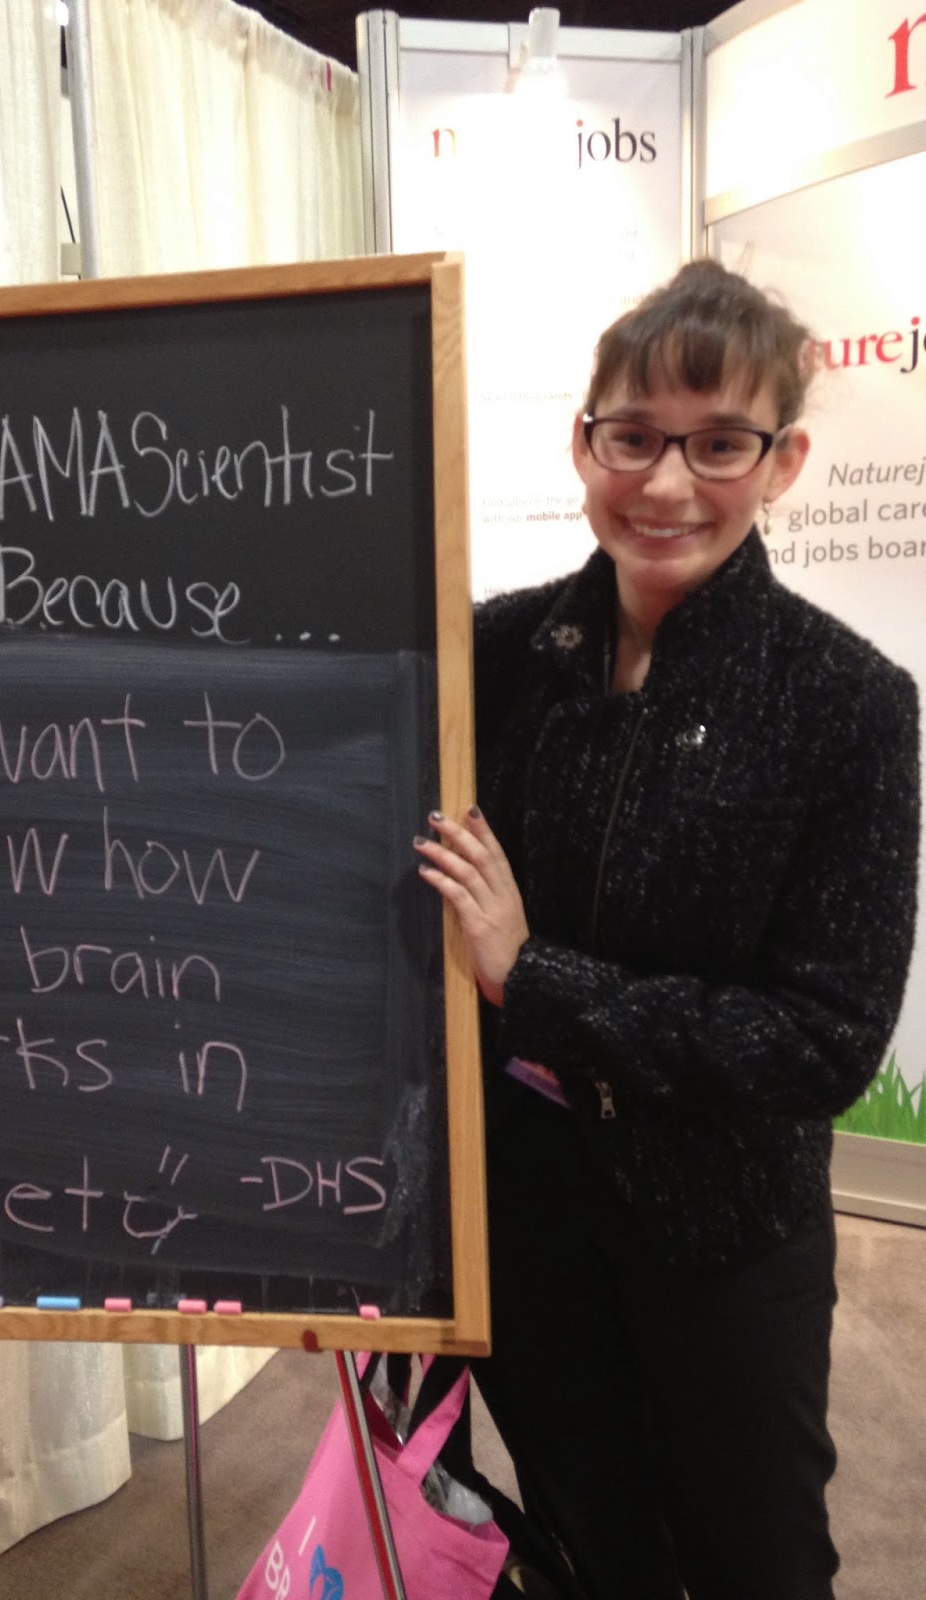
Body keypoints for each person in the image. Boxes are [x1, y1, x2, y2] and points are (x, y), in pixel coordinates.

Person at [414, 259, 920, 1600]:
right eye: (634, 437)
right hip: (525, 1214)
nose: (668, 484)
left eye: (718, 443)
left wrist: (534, 979)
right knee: (589, 1541)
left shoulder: (849, 705)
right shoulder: (492, 660)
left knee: (759, 1561)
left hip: (724, 1229)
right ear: (586, 442)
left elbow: (822, 1043)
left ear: (783, 459)